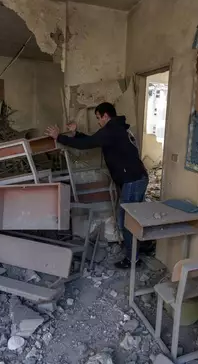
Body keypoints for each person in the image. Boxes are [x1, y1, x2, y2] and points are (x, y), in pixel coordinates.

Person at [45, 102, 148, 269]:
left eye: (99, 118)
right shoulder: (117, 129)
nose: (98, 121)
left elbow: (87, 144)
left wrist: (59, 137)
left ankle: (133, 258)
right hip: (136, 179)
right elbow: (92, 140)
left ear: (106, 116)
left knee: (126, 221)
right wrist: (75, 133)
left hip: (133, 180)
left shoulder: (112, 130)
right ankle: (138, 247)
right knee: (133, 218)